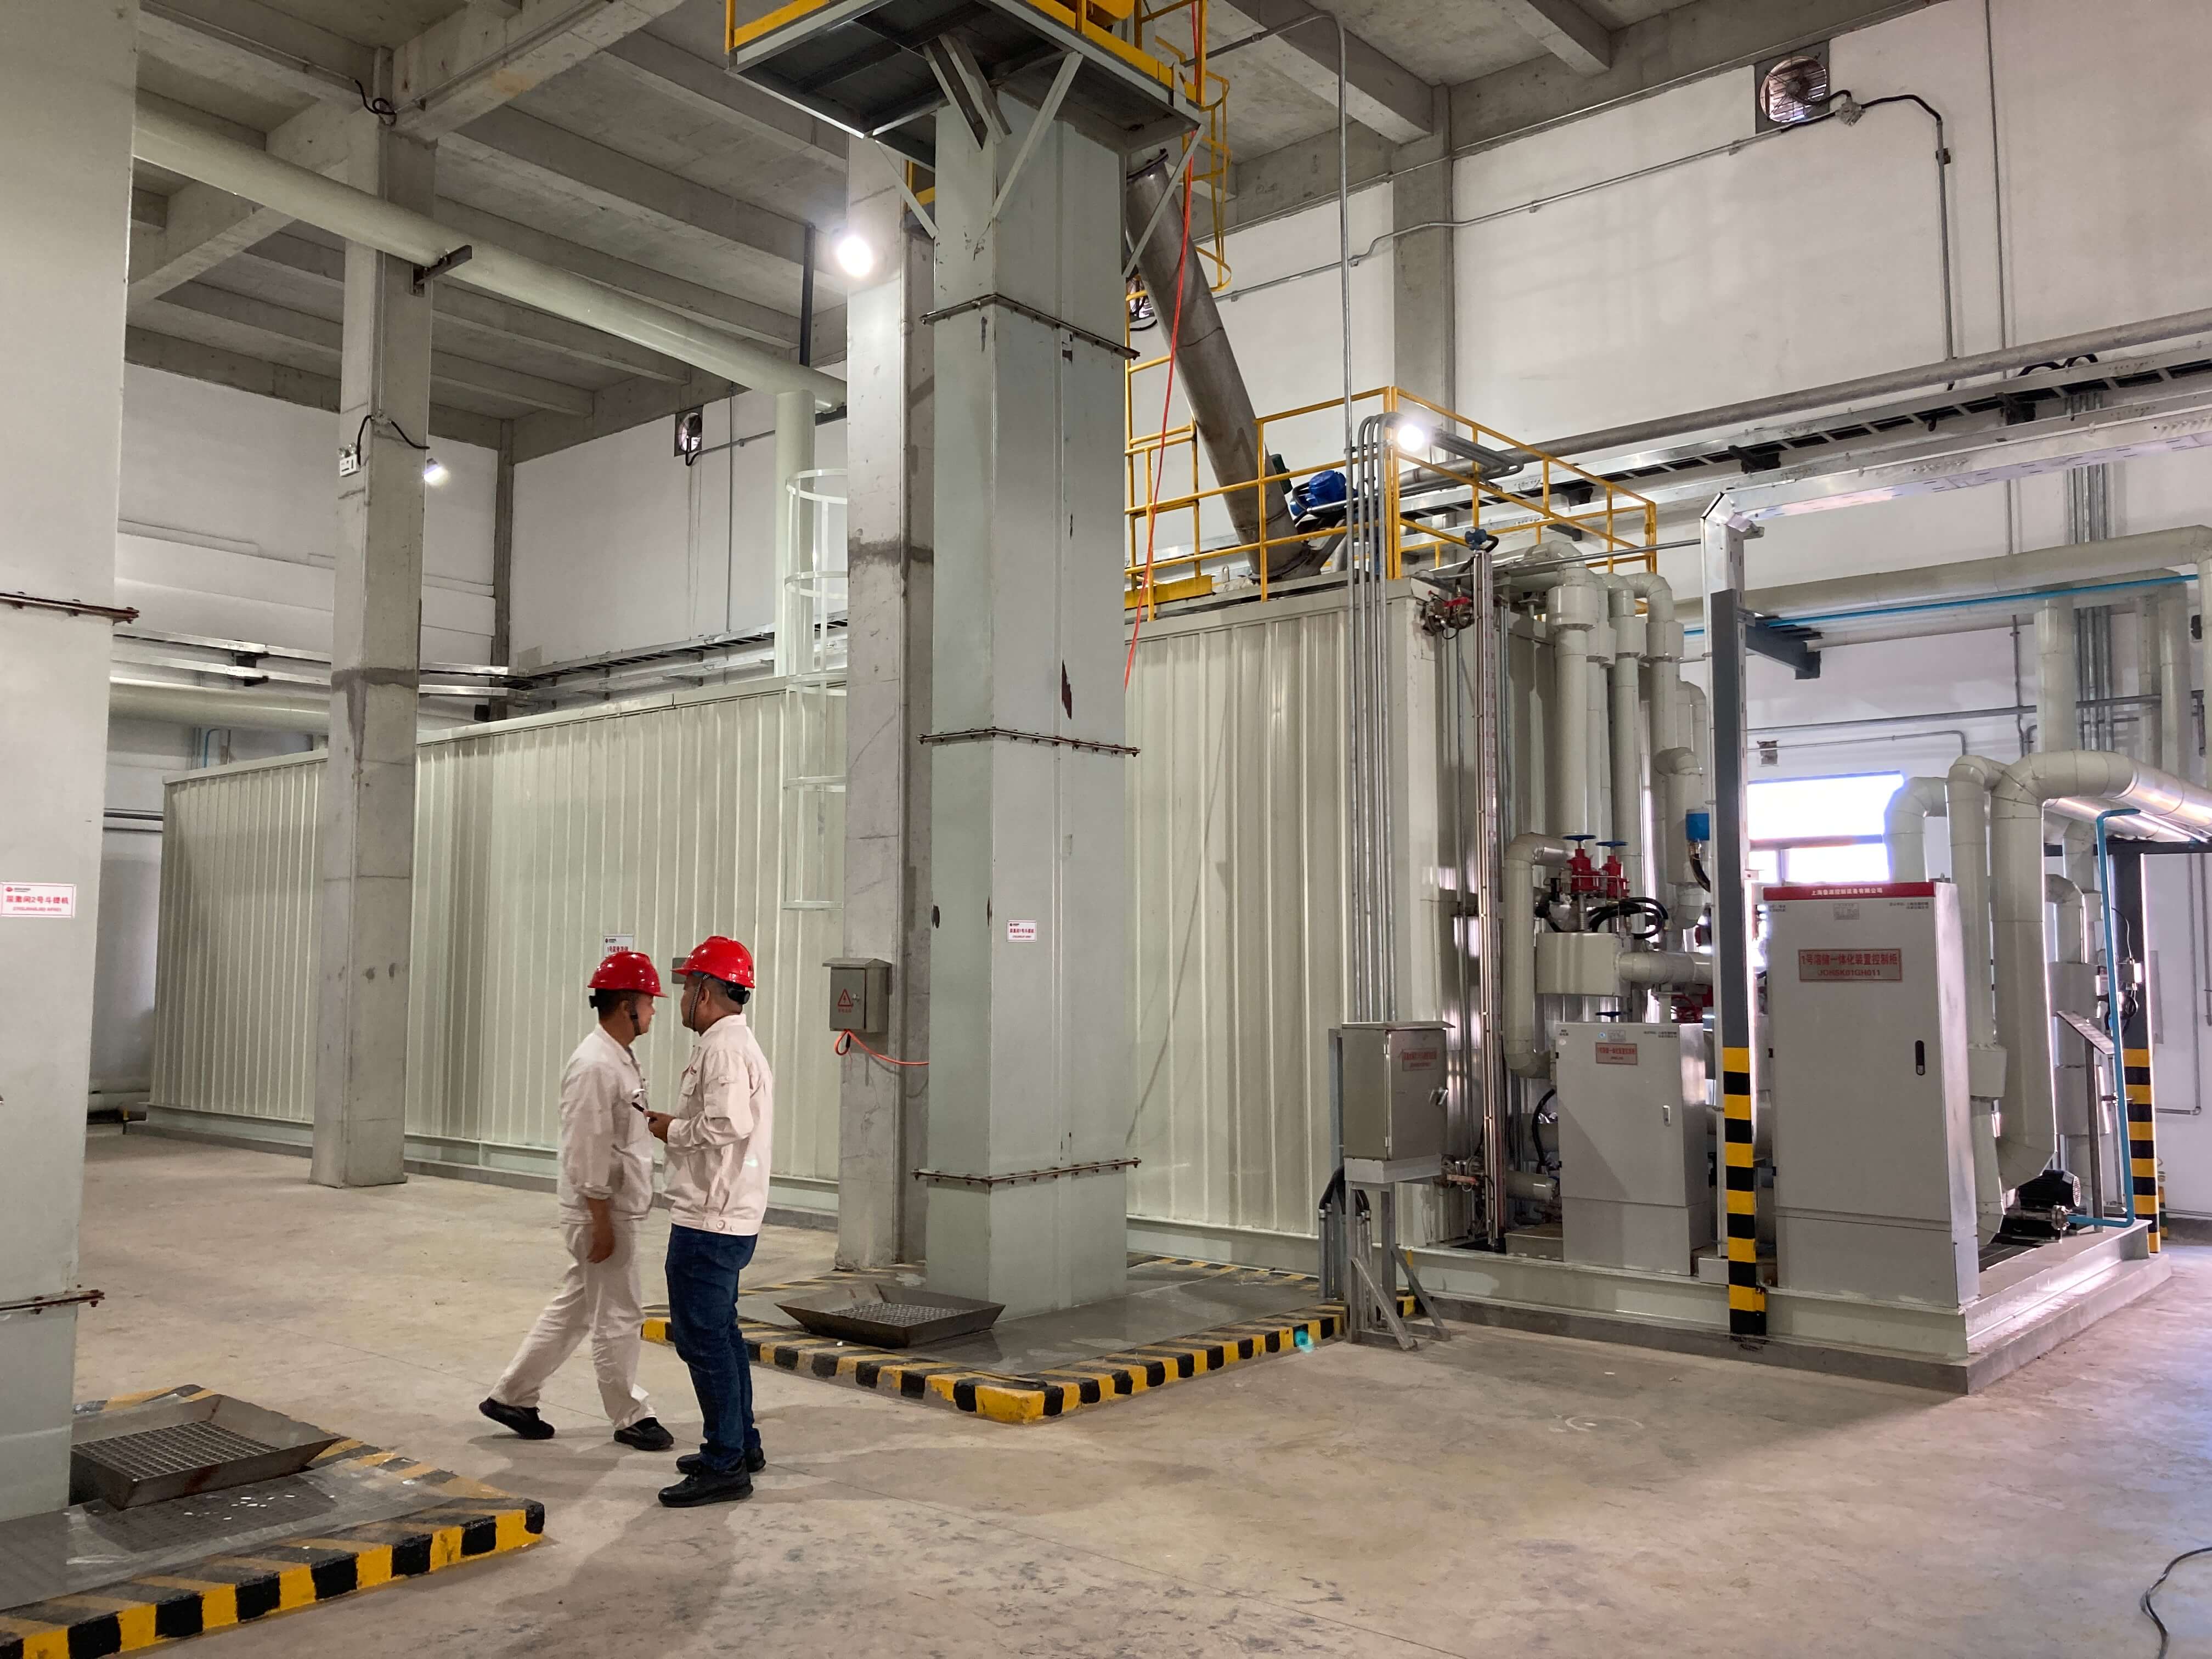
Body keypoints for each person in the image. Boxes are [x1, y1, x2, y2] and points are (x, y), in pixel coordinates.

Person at [479, 950, 675, 1453]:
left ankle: (512, 1396)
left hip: (610, 1207)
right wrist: (600, 1220)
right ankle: (630, 1415)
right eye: (649, 1002)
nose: (654, 1010)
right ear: (628, 1006)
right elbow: (586, 1149)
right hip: (602, 1211)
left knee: (577, 1307)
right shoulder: (595, 1065)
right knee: (619, 1314)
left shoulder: (616, 1057)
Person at [641, 934, 774, 1509]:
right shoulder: (732, 1044)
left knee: (703, 1342)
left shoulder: (722, 1048)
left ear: (706, 990)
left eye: (687, 987)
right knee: (722, 1335)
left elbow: (727, 1123)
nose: (681, 999)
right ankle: (741, 1445)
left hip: (710, 1220)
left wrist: (670, 1129)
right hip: (724, 1216)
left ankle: (725, 1464)